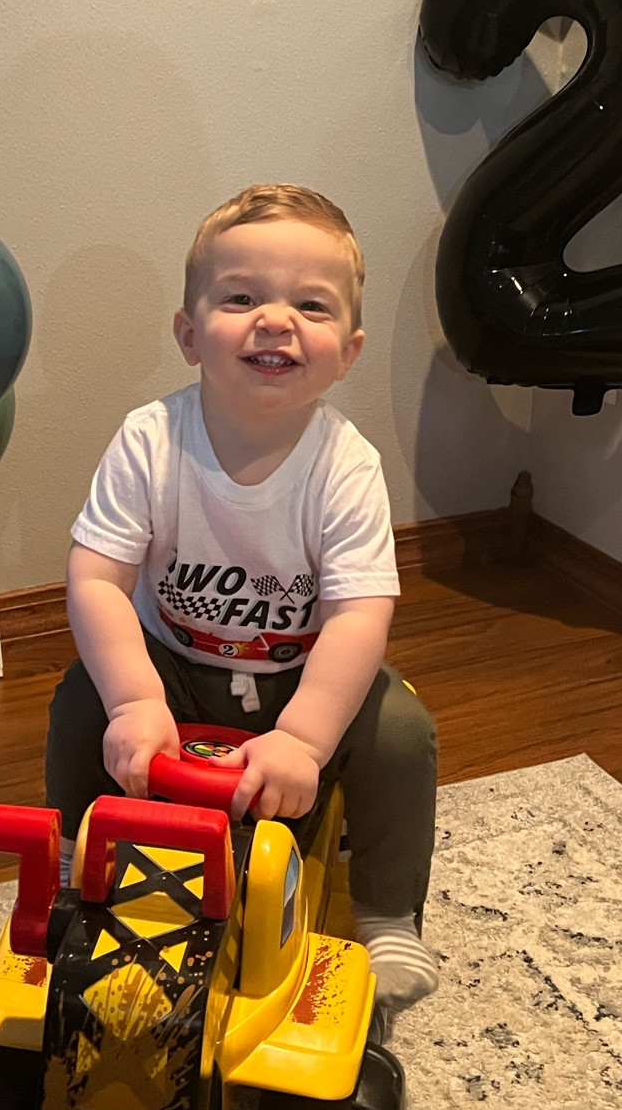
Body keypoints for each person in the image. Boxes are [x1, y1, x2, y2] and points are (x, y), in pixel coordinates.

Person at [45, 183, 440, 1008]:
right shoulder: (150, 440)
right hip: (175, 666)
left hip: (301, 679)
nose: (276, 319)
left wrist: (304, 735)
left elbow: (359, 613)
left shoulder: (346, 465)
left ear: (349, 350)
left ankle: (387, 908)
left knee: (401, 730)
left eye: (311, 304)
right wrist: (132, 701)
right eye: (241, 297)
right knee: (79, 699)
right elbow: (97, 578)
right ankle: (74, 862)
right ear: (190, 335)